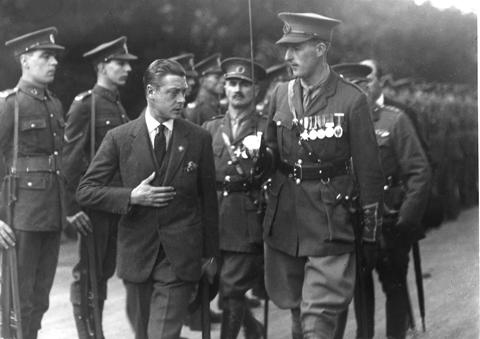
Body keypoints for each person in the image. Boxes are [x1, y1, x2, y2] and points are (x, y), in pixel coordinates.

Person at [261, 13, 384, 339]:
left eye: (296, 48)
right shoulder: (279, 94)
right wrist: (264, 160)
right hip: (286, 222)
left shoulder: (351, 99)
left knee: (319, 323)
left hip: (331, 223)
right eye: (285, 48)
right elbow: (270, 148)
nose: (287, 57)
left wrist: (370, 234)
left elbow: (370, 173)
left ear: (320, 47)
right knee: (298, 317)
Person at [76, 59, 219, 339]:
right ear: (151, 92)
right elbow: (86, 190)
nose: (181, 99)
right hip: (136, 258)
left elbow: (209, 202)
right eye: (173, 92)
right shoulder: (120, 138)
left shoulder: (198, 138)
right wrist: (131, 196)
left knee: (162, 334)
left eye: (184, 92)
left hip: (180, 259)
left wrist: (211, 257)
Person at [332, 62, 431, 339]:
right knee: (360, 294)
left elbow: (419, 172)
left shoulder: (394, 121)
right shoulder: (337, 128)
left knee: (394, 288)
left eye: (358, 88)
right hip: (354, 224)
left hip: (390, 222)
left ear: (367, 88)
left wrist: (406, 220)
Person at [62, 36, 137, 338]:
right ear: (102, 66)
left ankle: (97, 331)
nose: (127, 69)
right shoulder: (86, 105)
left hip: (114, 203)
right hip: (93, 205)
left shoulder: (116, 106)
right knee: (88, 274)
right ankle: (89, 334)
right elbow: (70, 160)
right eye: (120, 63)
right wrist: (72, 208)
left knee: (103, 272)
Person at [0, 27, 66, 339]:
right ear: (26, 60)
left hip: (50, 212)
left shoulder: (54, 104)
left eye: (54, 56)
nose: (53, 62)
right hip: (21, 214)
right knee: (18, 298)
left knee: (40, 297)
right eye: (45, 56)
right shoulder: (8, 104)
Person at [202, 57, 268, 339]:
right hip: (214, 217)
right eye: (232, 83)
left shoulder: (267, 128)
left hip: (246, 217)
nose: (237, 89)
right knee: (212, 285)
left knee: (232, 288)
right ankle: (254, 330)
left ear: (256, 90)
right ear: (224, 88)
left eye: (245, 84)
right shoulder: (210, 128)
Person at [184, 53, 225, 125]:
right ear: (202, 80)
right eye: (217, 77)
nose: (223, 81)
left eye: (222, 77)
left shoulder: (220, 107)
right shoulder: (195, 111)